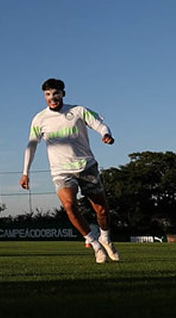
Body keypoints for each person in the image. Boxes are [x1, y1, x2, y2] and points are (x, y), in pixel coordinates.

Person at [21, 78, 121, 263]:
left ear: (63, 94)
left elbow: (99, 124)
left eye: (56, 93)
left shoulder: (78, 111)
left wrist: (105, 134)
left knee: (101, 209)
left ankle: (105, 238)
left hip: (86, 166)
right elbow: (31, 146)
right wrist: (25, 172)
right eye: (48, 94)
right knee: (69, 205)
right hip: (61, 171)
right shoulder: (39, 119)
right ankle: (95, 244)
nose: (52, 97)